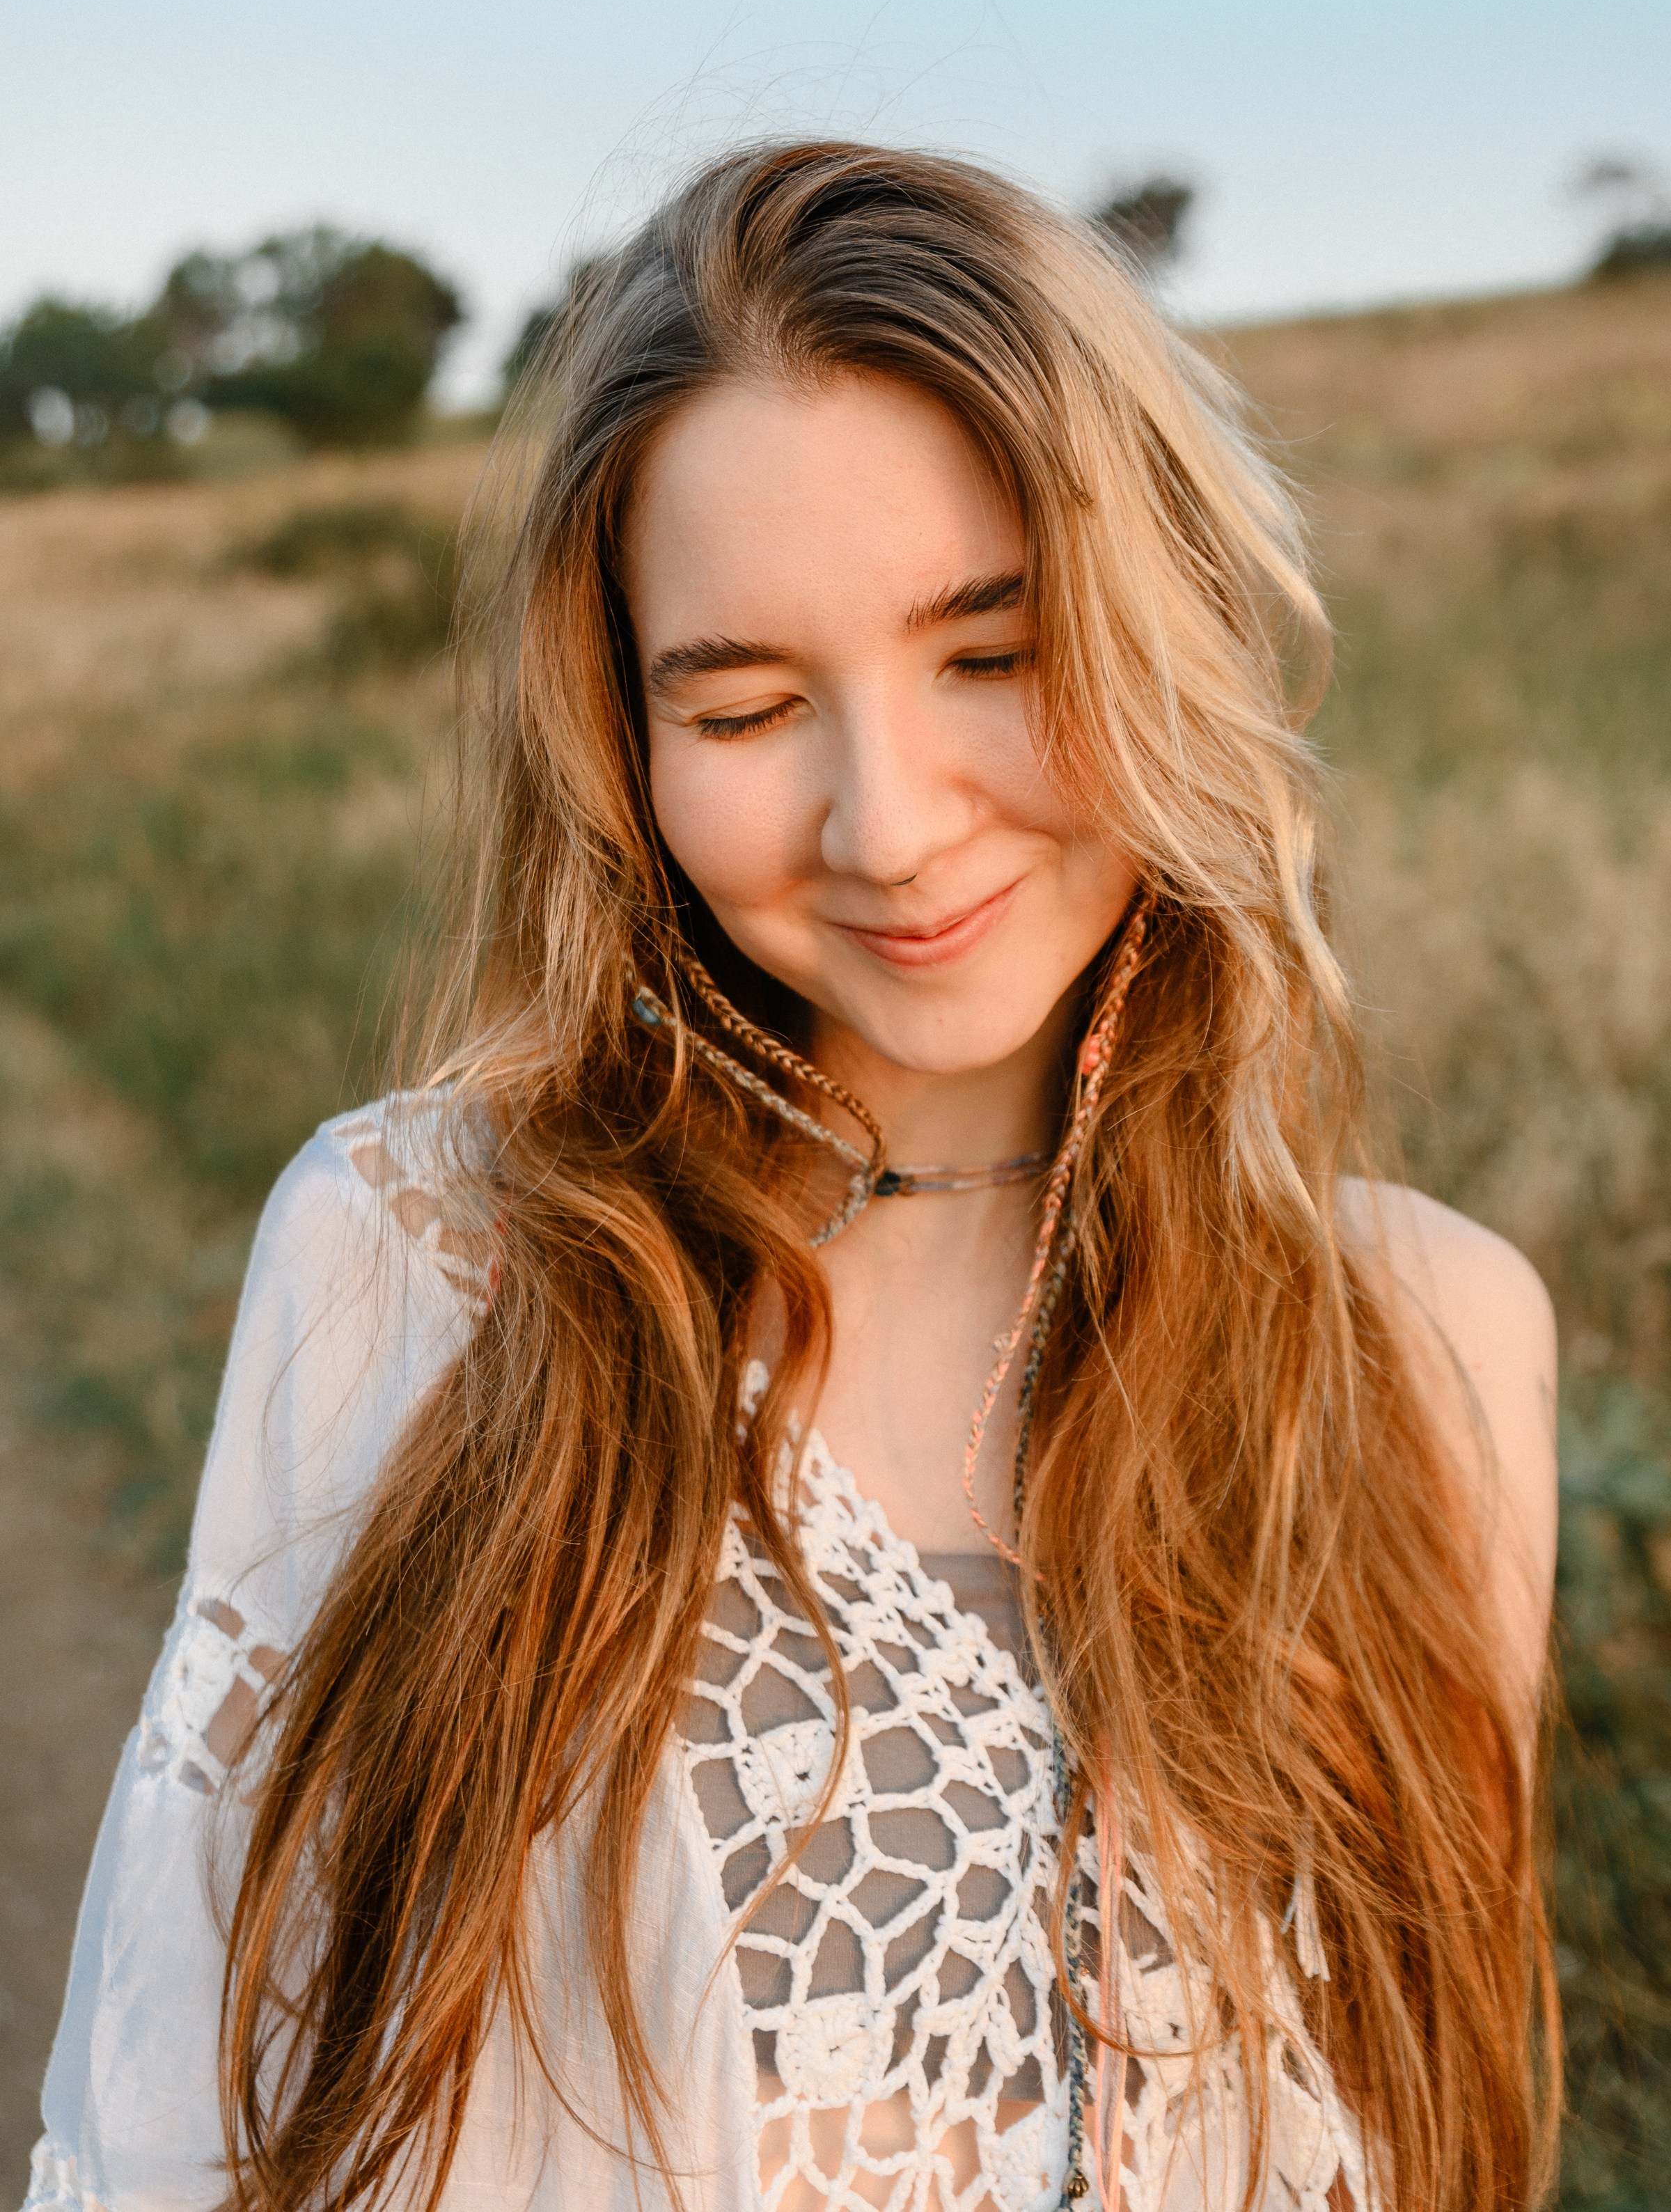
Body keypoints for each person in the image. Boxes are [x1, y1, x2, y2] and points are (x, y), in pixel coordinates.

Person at [26, 142, 1559, 2212]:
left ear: (1170, 625)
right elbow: (188, 2123)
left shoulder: (1430, 1344)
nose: (889, 825)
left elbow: (1440, 2127)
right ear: (627, 748)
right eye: (746, 707)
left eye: (994, 656)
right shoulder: (429, 1261)